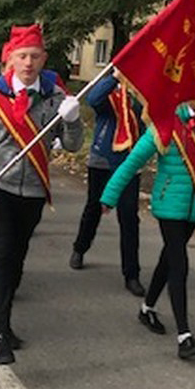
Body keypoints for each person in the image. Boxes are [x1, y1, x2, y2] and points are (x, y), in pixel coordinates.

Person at [0, 24, 84, 365]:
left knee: (17, 256)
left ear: (44, 59)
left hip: (34, 190)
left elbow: (72, 145)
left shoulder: (54, 95)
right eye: (22, 56)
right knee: (3, 254)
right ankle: (0, 332)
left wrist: (73, 120)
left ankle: (4, 318)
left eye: (35, 56)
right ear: (9, 59)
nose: (28, 63)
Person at [100, 101, 195, 360]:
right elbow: (133, 161)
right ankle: (184, 336)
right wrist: (110, 195)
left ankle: (147, 308)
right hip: (168, 204)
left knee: (169, 259)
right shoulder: (165, 123)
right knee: (179, 264)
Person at [69, 76, 146, 296]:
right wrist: (114, 77)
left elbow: (148, 119)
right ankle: (80, 248)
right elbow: (93, 98)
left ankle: (131, 274)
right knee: (93, 208)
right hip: (102, 160)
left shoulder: (138, 100)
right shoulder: (109, 95)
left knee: (129, 216)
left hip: (129, 162)